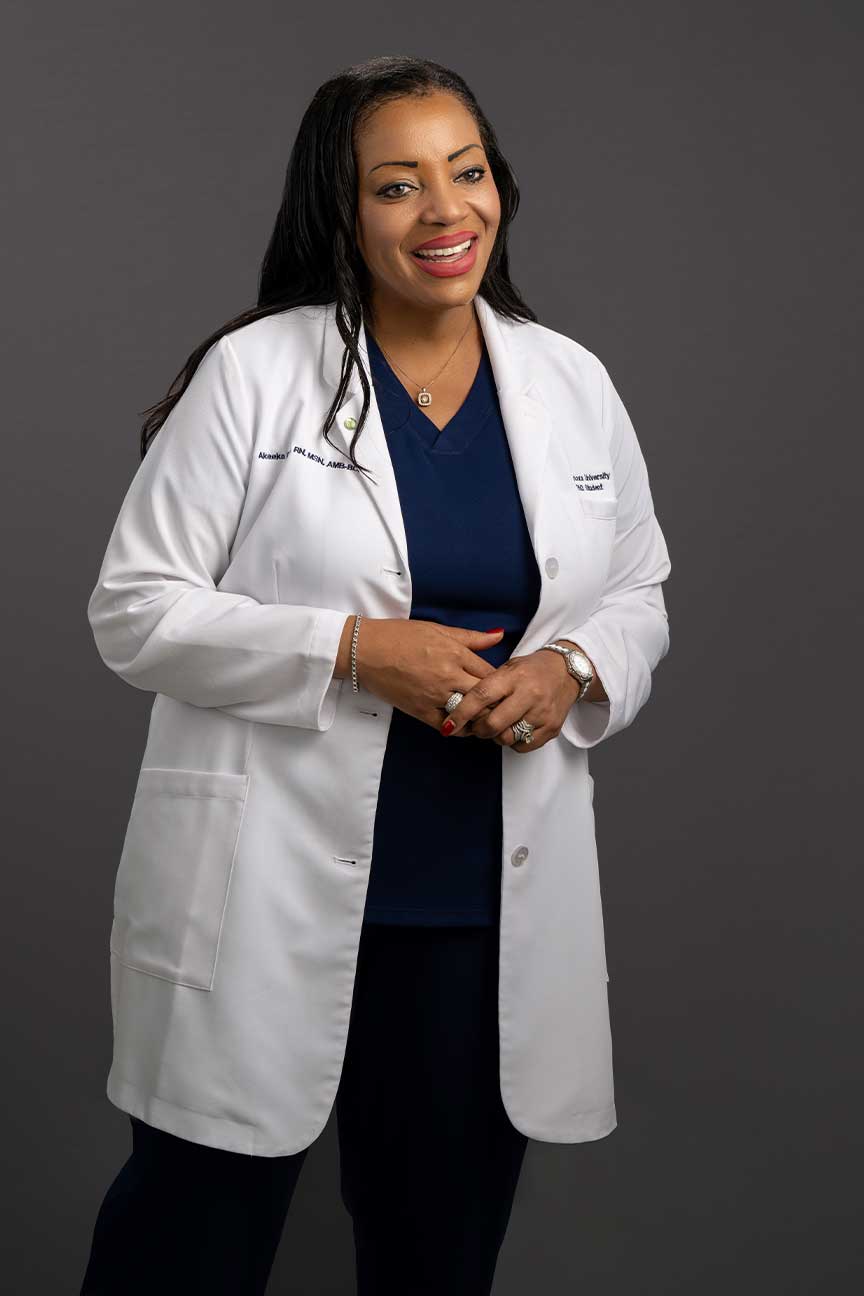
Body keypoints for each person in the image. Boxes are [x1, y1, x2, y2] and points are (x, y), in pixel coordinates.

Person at [79, 54, 671, 1296]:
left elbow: (636, 589)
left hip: (478, 914)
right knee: (188, 1248)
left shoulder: (569, 381)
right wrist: (348, 648)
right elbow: (134, 612)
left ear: (499, 187)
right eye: (396, 186)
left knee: (437, 1262)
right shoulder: (255, 375)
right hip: (264, 896)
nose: (444, 212)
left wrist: (572, 665)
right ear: (342, 213)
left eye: (466, 174)